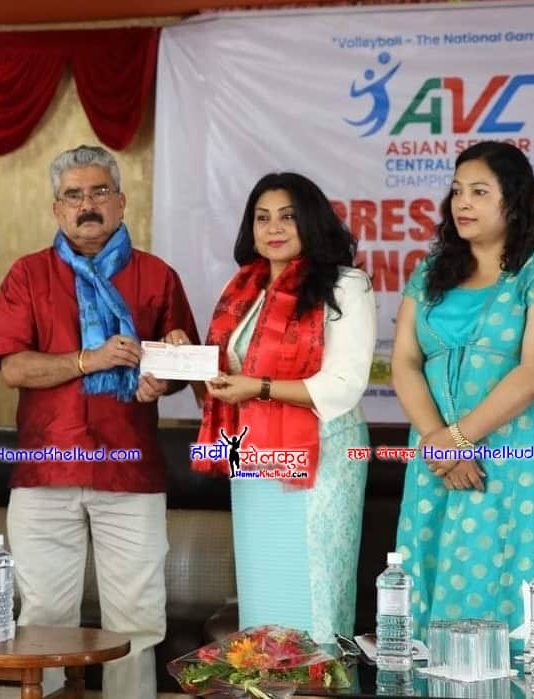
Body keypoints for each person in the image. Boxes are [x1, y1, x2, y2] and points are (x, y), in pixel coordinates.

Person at [0, 144, 199, 698]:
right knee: (43, 618)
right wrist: (89, 359)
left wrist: (165, 376)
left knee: (137, 620)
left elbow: (183, 363)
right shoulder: (28, 274)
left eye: (99, 192)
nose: (87, 205)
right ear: (57, 208)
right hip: (46, 469)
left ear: (121, 202)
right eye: (74, 195)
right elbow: (13, 368)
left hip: (129, 470)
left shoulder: (156, 275)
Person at [392, 141, 534, 649]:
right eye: (457, 192)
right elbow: (404, 361)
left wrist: (459, 438)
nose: (463, 203)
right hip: (438, 454)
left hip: (521, 452)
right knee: (435, 572)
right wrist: (439, 439)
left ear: (514, 200)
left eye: (479, 192)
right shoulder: (431, 271)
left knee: (524, 574)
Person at [191, 171, 376, 644]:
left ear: (311, 221)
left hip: (323, 453)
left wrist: (259, 388)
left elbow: (343, 384)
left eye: (287, 217)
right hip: (252, 452)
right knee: (263, 591)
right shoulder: (242, 290)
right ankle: (265, 680)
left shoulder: (345, 285)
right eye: (262, 218)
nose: (273, 228)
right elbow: (226, 375)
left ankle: (319, 679)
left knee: (315, 588)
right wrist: (184, 357)